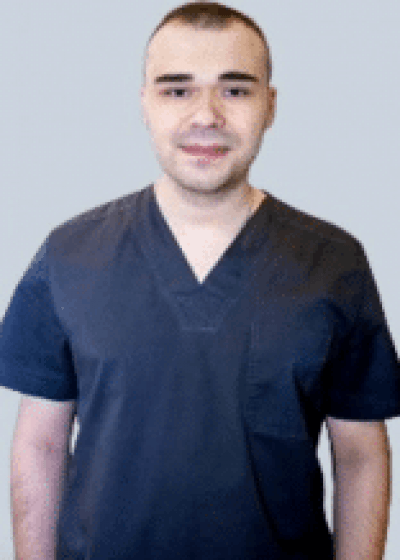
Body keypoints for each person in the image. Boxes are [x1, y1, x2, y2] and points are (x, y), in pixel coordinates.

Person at [1, 1, 399, 559]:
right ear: (144, 104)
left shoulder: (334, 264)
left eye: (234, 90)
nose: (206, 115)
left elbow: (360, 453)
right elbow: (41, 445)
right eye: (177, 90)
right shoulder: (69, 255)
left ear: (270, 105)